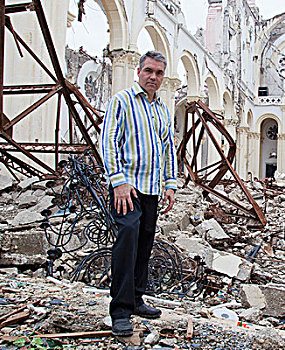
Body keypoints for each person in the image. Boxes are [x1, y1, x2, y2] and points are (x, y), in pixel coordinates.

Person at [100, 50, 177, 336]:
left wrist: (170, 183)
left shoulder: (162, 110)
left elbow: (168, 149)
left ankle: (137, 298)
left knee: (145, 242)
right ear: (139, 71)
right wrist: (118, 181)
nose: (153, 77)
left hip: (152, 188)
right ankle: (120, 310)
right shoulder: (122, 101)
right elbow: (108, 141)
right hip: (127, 188)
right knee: (127, 239)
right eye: (149, 71)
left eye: (158, 73)